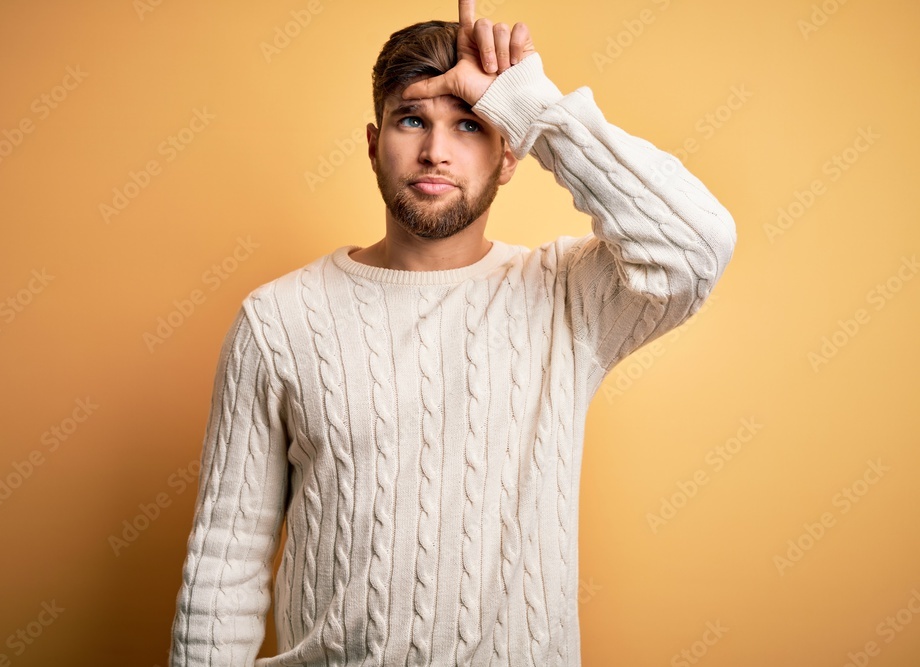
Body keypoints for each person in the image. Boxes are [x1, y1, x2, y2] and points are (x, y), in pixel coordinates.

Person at [169, 1, 737, 664]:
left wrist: (534, 108)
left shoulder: (568, 297)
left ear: (508, 155)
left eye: (469, 124)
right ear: (374, 145)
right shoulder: (278, 320)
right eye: (412, 119)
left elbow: (696, 245)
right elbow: (225, 564)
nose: (435, 151)